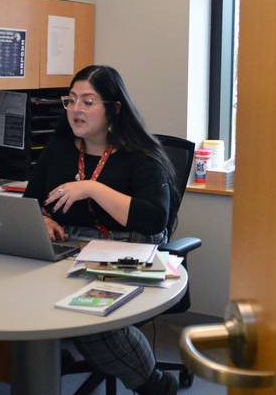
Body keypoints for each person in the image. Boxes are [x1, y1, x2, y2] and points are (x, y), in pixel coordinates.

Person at [24, 65, 180, 394]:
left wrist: (92, 189)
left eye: (88, 101)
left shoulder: (141, 156)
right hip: (72, 250)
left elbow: (154, 219)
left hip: (130, 250)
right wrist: (42, 218)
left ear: (114, 108)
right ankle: (49, 358)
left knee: (90, 315)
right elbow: (30, 200)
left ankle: (153, 383)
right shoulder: (61, 148)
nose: (76, 109)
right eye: (71, 100)